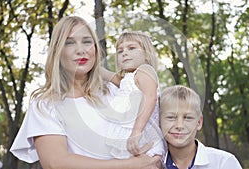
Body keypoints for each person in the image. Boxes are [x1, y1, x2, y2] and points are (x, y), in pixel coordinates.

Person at [10, 16, 162, 169]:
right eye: (69, 43)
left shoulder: (116, 90)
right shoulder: (45, 105)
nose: (81, 50)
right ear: (57, 51)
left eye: (87, 42)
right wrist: (128, 165)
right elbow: (55, 163)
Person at [100, 31, 165, 159]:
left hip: (142, 137)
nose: (124, 53)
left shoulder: (145, 71)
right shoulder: (127, 78)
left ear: (146, 54)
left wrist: (137, 131)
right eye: (120, 51)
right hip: (130, 142)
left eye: (131, 48)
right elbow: (107, 74)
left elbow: (150, 98)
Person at [159, 85, 243, 169]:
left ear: (199, 122)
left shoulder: (224, 163)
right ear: (159, 122)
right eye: (171, 117)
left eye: (188, 118)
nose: (179, 126)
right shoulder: (151, 164)